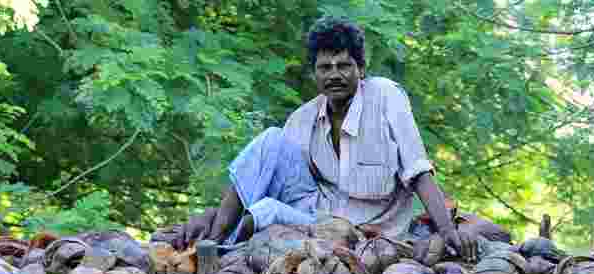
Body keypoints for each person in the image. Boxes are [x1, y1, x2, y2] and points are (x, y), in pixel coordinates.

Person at [159, 18, 467, 258]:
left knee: (263, 213)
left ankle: (222, 250)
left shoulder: (386, 96)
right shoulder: (303, 117)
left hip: (367, 231)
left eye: (344, 65)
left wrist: (446, 229)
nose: (335, 74)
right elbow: (261, 177)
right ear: (314, 74)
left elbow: (418, 171)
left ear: (360, 69)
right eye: (325, 67)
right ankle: (211, 243)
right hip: (315, 213)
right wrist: (209, 213)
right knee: (270, 141)